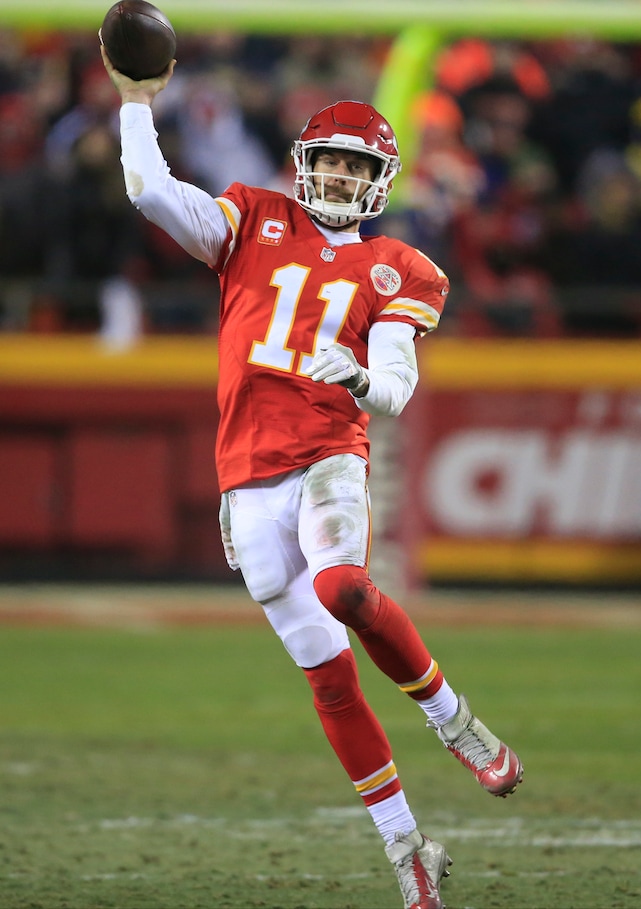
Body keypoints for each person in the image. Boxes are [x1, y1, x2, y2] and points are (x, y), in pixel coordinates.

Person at [101, 45, 523, 909]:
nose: (335, 174)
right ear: (304, 163)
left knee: (344, 587)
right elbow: (148, 191)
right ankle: (408, 852)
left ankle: (457, 723)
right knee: (328, 679)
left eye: (352, 163)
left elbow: (397, 387)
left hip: (329, 451)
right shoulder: (249, 219)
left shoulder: (402, 267)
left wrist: (361, 378)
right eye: (326, 159)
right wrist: (136, 102)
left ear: (379, 179)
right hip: (244, 475)